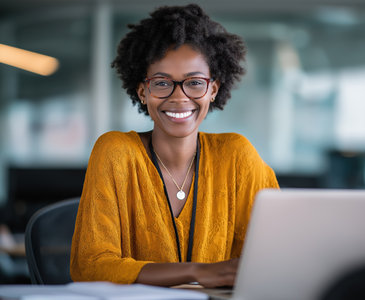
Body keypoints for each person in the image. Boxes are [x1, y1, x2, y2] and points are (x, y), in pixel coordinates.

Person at [70, 4, 279, 288]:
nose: (179, 97)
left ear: (213, 90)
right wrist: (196, 272)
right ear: (142, 91)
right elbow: (90, 266)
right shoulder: (115, 153)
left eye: (194, 82)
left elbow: (274, 255)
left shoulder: (237, 156)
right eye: (161, 83)